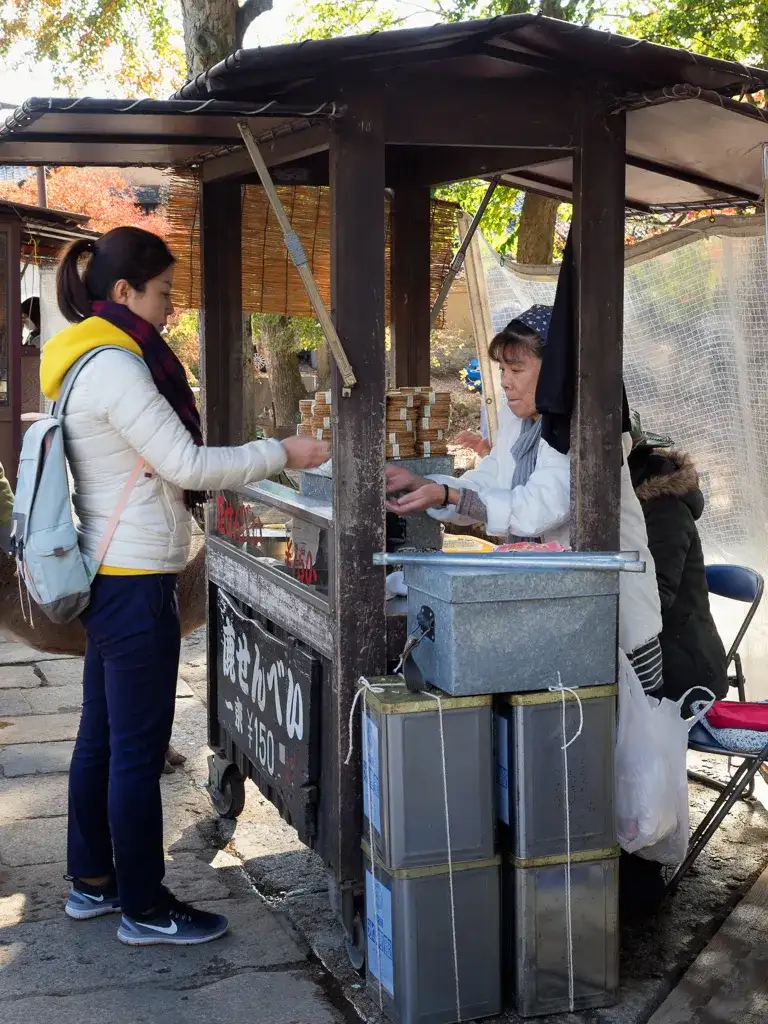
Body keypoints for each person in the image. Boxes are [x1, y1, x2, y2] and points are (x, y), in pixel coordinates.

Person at [43, 226, 329, 947]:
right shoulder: (115, 365)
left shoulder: (84, 361)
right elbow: (187, 465)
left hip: (112, 573)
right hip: (136, 582)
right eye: (164, 292)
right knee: (134, 749)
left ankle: (94, 883)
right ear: (123, 293)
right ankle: (144, 905)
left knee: (103, 739)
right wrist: (282, 452)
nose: (171, 307)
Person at [386, 306, 663, 685]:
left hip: (613, 613)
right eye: (501, 369)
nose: (504, 381)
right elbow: (490, 480)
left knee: (617, 733)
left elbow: (538, 507)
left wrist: (450, 495)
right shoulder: (522, 421)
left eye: (516, 370)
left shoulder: (582, 428)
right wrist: (432, 490)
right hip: (559, 608)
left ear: (555, 373)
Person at [627, 417, 728, 711]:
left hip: (683, 670)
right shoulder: (639, 504)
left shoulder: (664, 510)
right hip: (663, 654)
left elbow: (657, 599)